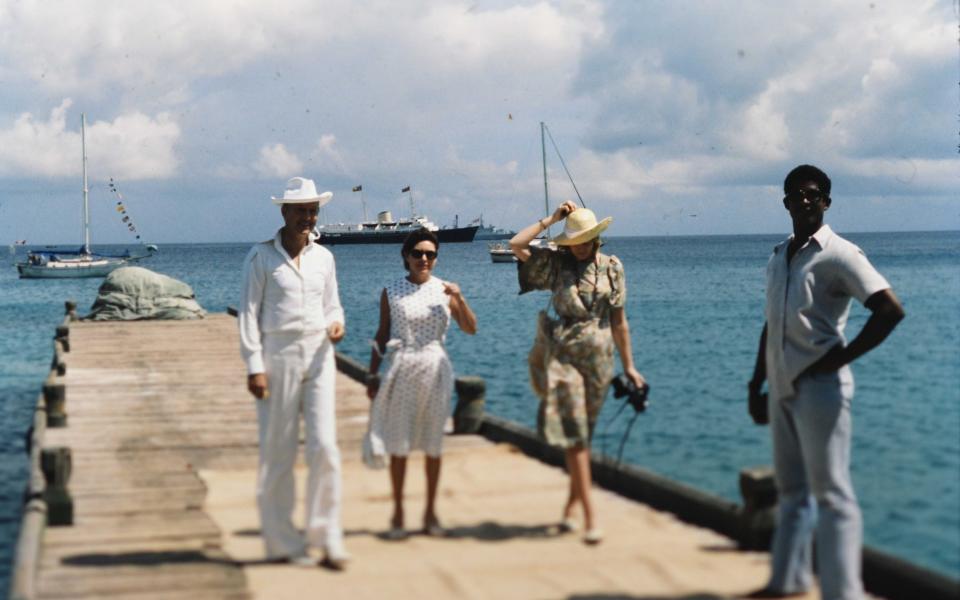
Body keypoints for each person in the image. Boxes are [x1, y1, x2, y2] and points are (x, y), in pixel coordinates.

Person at [746, 165, 905, 599]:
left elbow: (889, 310)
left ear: (826, 202)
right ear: (785, 203)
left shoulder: (840, 253)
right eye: (796, 195)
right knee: (792, 492)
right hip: (781, 386)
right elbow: (771, 325)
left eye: (813, 195)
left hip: (820, 389)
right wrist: (756, 383)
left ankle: (843, 593)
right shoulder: (779, 256)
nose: (804, 200)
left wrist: (840, 358)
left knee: (832, 495)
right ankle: (789, 581)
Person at [509, 201, 646, 545]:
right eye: (575, 240)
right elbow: (516, 244)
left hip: (601, 359)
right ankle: (590, 517)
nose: (581, 245)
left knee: (580, 439)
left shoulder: (613, 268)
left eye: (586, 238)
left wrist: (629, 366)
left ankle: (570, 507)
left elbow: (619, 321)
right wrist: (552, 219)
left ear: (596, 237)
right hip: (564, 357)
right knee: (577, 439)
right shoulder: (556, 266)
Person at [238, 176, 349, 569]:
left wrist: (337, 323)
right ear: (283, 212)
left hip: (320, 356)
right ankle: (282, 540)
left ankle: (326, 536)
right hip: (277, 355)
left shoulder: (326, 258)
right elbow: (249, 314)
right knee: (278, 451)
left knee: (326, 447)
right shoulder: (260, 257)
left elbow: (333, 305)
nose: (308, 217)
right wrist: (255, 366)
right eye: (301, 210)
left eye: (313, 210)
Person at [365, 228, 477, 539]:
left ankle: (430, 513)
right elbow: (382, 333)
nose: (424, 259)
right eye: (418, 253)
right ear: (406, 256)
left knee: (433, 444)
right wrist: (372, 373)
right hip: (401, 367)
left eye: (430, 254)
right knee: (398, 444)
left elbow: (470, 328)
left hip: (435, 367)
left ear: (436, 258)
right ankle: (399, 514)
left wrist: (460, 298)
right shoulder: (392, 290)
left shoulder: (445, 290)